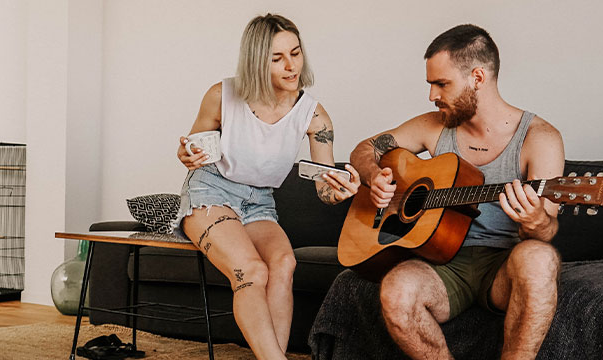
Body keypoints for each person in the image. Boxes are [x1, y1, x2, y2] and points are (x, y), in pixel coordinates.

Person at [348, 24, 565, 359]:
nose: (432, 95)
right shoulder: (434, 126)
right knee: (396, 289)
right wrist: (374, 175)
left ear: (477, 77)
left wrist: (536, 221)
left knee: (540, 257)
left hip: (503, 267)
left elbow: (547, 230)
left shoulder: (540, 138)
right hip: (441, 262)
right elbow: (367, 147)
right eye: (431, 84)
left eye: (442, 83)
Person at [173, 13, 361, 360]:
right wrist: (186, 154)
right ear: (257, 61)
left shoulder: (314, 116)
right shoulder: (222, 95)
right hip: (211, 191)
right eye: (277, 58)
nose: (291, 66)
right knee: (252, 271)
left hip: (260, 201)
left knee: (284, 263)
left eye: (295, 52)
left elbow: (323, 188)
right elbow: (190, 147)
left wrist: (337, 191)